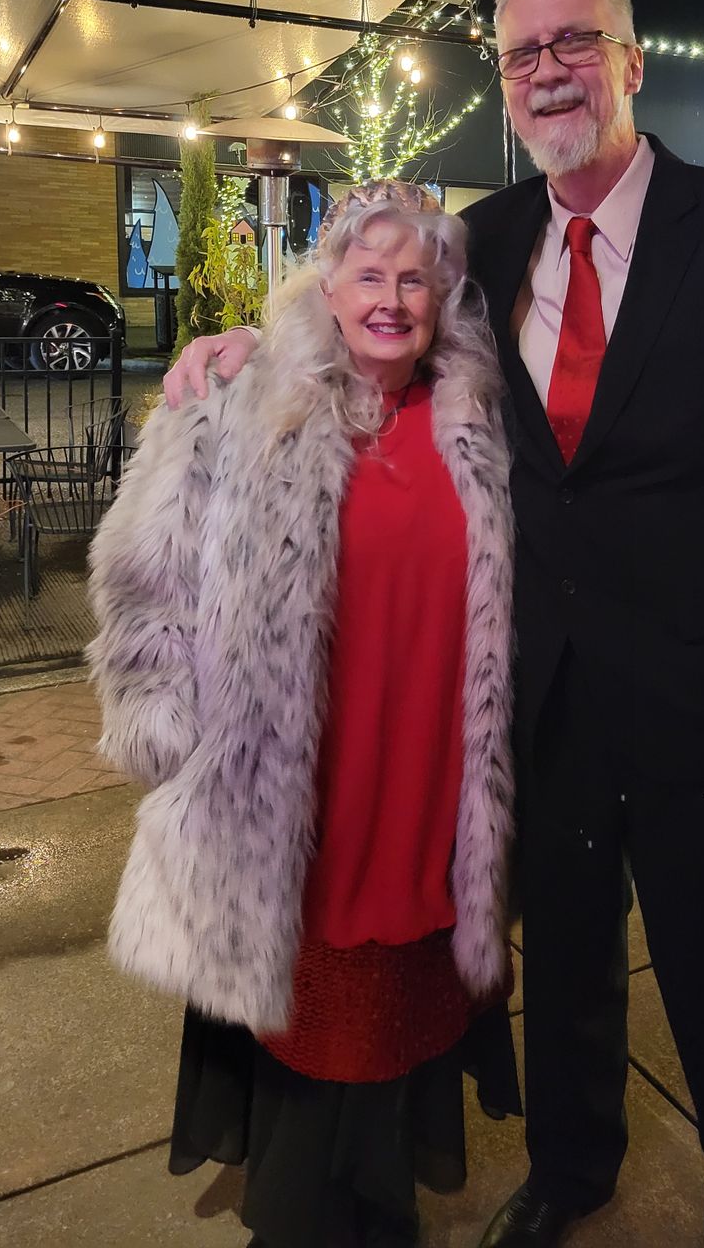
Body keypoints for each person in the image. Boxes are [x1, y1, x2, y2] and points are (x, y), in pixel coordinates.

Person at [165, 0, 704, 1248]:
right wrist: (247, 348)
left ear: (630, 61)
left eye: (573, 41)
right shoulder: (484, 243)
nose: (548, 71)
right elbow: (366, 325)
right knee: (570, 981)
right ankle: (570, 1167)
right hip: (545, 720)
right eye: (521, 52)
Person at [91, 182, 520, 1248]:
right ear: (325, 288)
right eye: (368, 275)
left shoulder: (475, 422)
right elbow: (146, 569)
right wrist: (164, 721)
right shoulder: (244, 398)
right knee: (306, 1035)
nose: (390, 300)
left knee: (401, 1033)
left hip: (426, 789)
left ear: (442, 298)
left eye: (413, 279)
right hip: (297, 798)